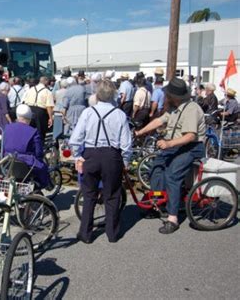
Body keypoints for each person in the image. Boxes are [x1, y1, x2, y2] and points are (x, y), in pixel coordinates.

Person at [135, 78, 205, 234]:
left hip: (191, 148)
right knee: (155, 169)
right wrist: (140, 132)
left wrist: (168, 144)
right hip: (174, 146)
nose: (165, 95)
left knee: (172, 175)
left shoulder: (191, 109)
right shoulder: (174, 108)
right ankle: (159, 204)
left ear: (175, 96)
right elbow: (159, 121)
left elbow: (190, 136)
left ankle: (173, 218)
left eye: (168, 94)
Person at [69, 80, 132, 243]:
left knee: (89, 194)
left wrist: (78, 155)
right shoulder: (119, 114)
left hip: (91, 154)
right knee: (111, 195)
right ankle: (112, 233)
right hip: (112, 156)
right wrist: (125, 161)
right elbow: (126, 143)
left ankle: (85, 233)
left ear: (97, 95)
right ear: (113, 95)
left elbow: (75, 139)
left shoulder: (88, 112)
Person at [3, 104, 50, 188]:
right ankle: (40, 186)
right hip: (25, 162)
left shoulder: (7, 127)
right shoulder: (33, 131)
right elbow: (39, 152)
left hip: (7, 160)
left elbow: (3, 146)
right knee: (43, 168)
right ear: (30, 117)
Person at [22, 76, 55, 142]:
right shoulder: (47, 92)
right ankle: (39, 146)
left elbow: (25, 102)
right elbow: (49, 106)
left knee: (29, 129)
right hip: (40, 112)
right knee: (40, 131)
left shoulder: (30, 90)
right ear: (45, 81)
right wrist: (50, 118)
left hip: (29, 110)